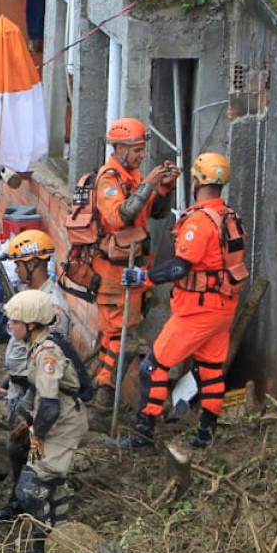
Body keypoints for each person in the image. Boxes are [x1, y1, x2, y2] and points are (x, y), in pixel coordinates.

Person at [124, 152, 248, 450]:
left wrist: (144, 277)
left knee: (153, 367)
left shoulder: (201, 222)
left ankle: (143, 434)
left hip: (197, 310)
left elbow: (180, 267)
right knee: (210, 369)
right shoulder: (229, 217)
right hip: (223, 307)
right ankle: (206, 434)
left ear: (197, 180)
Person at [88, 117, 178, 409]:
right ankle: (103, 402)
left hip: (136, 270)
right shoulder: (108, 179)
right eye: (137, 149)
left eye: (142, 149)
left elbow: (157, 213)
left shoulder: (134, 176)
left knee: (122, 338)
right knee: (120, 340)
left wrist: (164, 188)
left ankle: (101, 395)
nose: (141, 155)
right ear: (121, 148)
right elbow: (119, 216)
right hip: (114, 275)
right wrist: (148, 185)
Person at [3, 289, 92, 553]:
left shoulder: (47, 353)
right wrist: (26, 420)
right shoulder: (36, 346)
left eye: (15, 322)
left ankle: (40, 550)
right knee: (27, 460)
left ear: (31, 324)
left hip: (62, 425)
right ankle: (59, 522)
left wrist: (35, 433)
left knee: (31, 486)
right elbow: (37, 391)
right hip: (51, 422)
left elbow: (51, 407)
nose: (11, 326)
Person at [0, 229, 65, 521]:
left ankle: (28, 507)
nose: (16, 269)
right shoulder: (29, 296)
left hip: (36, 391)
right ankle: (18, 500)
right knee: (16, 447)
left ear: (35, 263)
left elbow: (50, 360)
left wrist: (30, 402)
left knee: (25, 449)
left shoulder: (50, 306)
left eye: (20, 263)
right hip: (20, 385)